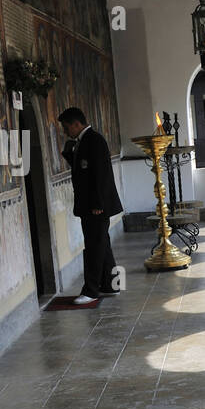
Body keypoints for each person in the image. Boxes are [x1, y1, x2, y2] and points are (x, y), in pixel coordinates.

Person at [59, 106, 123, 306]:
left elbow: (101, 175)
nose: (65, 132)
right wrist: (70, 154)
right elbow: (84, 170)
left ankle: (91, 291)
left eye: (66, 127)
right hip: (91, 204)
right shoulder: (83, 141)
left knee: (94, 246)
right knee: (101, 243)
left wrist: (98, 204)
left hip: (96, 205)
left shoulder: (94, 140)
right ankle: (112, 285)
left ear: (76, 124)